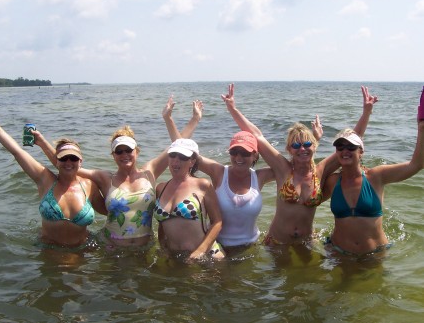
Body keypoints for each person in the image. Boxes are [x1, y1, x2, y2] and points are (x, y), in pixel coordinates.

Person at [35, 96, 203, 249]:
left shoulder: (149, 172)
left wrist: (191, 120)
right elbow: (67, 165)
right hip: (111, 247)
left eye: (128, 150)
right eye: (119, 151)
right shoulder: (104, 177)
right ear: (113, 155)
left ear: (137, 151)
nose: (124, 155)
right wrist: (42, 143)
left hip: (144, 247)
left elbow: (178, 146)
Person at [221, 84, 377, 247]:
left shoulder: (321, 171)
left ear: (314, 145)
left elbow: (352, 140)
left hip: (306, 242)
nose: (302, 149)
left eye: (307, 144)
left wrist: (366, 112)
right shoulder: (282, 168)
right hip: (277, 242)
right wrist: (232, 108)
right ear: (289, 149)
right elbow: (257, 136)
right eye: (296, 146)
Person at [164, 98, 322, 254]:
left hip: (251, 248)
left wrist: (312, 143)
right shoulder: (219, 172)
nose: (239, 157)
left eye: (245, 153)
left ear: (255, 156)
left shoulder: (261, 176)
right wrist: (175, 119)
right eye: (234, 152)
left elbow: (299, 164)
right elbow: (183, 150)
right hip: (219, 247)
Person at [0, 109, 106, 248]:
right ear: (56, 161)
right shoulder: (45, 179)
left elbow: (109, 212)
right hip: (49, 251)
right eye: (63, 158)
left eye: (73, 158)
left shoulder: (90, 186)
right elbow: (17, 151)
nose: (68, 162)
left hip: (82, 251)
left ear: (80, 161)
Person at [323, 114, 424, 256]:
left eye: (351, 147)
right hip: (339, 253)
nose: (345, 151)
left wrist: (421, 130)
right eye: (340, 147)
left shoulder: (376, 176)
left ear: (361, 152)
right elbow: (309, 201)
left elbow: (416, 165)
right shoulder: (332, 181)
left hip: (374, 255)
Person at [153, 138, 225, 260]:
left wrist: (200, 251)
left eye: (183, 157)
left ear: (192, 161)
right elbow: (162, 224)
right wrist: (163, 246)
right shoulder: (161, 188)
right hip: (175, 257)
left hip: (205, 256)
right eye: (173, 155)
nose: (176, 160)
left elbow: (217, 222)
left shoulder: (203, 185)